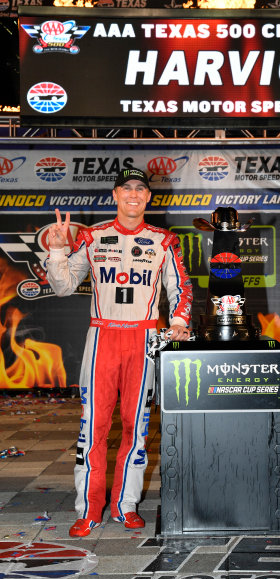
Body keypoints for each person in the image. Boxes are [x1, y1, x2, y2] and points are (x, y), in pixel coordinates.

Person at [45, 167, 192, 537]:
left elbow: (181, 288)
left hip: (143, 341)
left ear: (148, 198)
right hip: (103, 338)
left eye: (140, 189)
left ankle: (124, 506)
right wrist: (58, 250)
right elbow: (63, 287)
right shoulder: (93, 237)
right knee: (92, 428)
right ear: (115, 195)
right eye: (126, 188)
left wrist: (177, 320)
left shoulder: (164, 239)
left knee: (135, 428)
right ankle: (89, 509)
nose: (133, 194)